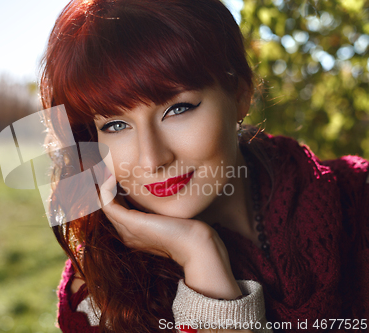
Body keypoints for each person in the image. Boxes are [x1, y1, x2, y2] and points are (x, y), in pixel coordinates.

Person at [38, 0, 369, 332]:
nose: (152, 159)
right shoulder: (99, 299)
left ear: (240, 94)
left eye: (178, 108)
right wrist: (201, 256)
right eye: (115, 125)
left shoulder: (356, 196)